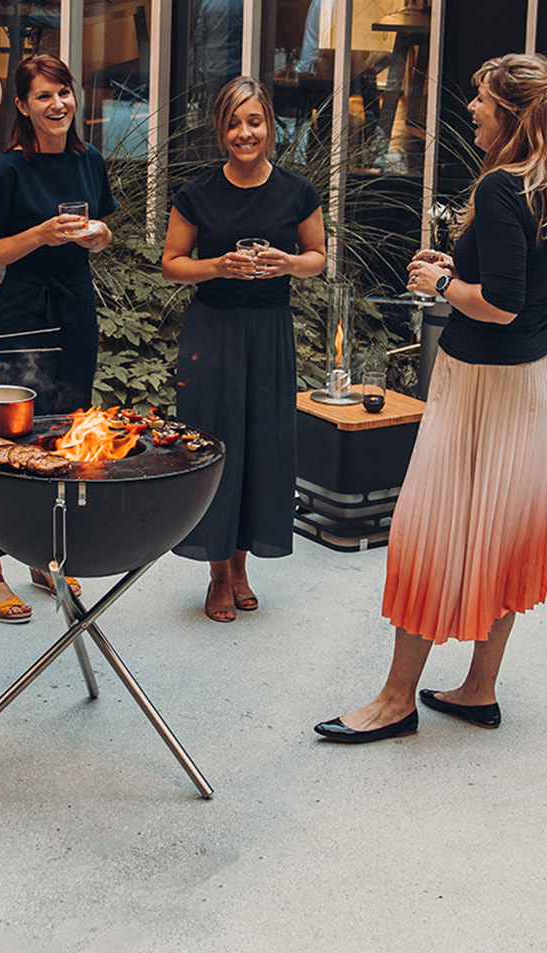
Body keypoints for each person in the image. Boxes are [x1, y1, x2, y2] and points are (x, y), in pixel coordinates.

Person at [317, 53, 547, 743]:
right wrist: (462, 267)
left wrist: (440, 287)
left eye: (480, 100)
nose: (471, 110)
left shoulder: (505, 187)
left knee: (426, 530)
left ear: (509, 112)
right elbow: (527, 286)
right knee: (501, 533)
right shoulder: (540, 186)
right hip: (526, 386)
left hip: (480, 387)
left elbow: (502, 305)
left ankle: (396, 701)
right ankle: (479, 689)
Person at [160, 75, 326, 622]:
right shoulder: (197, 192)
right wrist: (218, 267)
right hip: (214, 331)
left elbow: (318, 257)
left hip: (269, 331)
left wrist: (288, 264)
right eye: (233, 122)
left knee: (262, 447)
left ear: (271, 127)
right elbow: (172, 263)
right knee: (216, 446)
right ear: (220, 130)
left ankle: (241, 564)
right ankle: (215, 572)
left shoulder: (297, 191)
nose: (244, 132)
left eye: (254, 121)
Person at [0, 53, 117, 623]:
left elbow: (102, 232)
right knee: (10, 441)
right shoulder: (6, 171)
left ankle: (46, 557)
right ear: (23, 107)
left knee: (66, 434)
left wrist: (98, 234)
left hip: (76, 309)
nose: (58, 105)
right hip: (24, 312)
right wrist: (39, 234)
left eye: (65, 93)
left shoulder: (90, 160)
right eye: (45, 96)